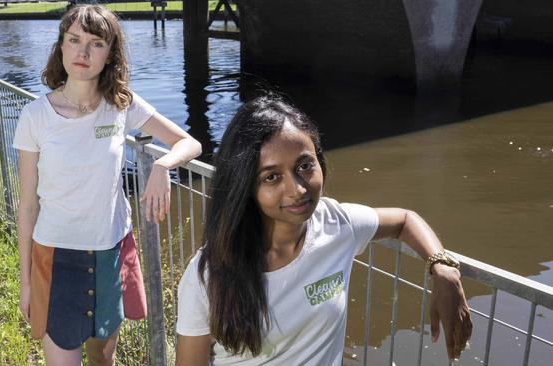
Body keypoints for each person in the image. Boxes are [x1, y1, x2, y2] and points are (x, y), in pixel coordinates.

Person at [175, 96, 472, 365]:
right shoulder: (207, 275)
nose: (297, 189)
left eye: (305, 165)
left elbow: (405, 220)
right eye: (272, 176)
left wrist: (443, 269)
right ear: (245, 185)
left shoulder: (337, 225)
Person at [13, 5, 201, 365]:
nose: (82, 53)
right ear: (61, 46)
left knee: (103, 358)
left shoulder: (121, 105)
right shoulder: (35, 116)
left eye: (95, 43)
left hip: (110, 251)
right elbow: (28, 206)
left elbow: (189, 143)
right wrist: (25, 284)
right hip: (55, 256)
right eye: (74, 40)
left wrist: (163, 164)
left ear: (110, 52)